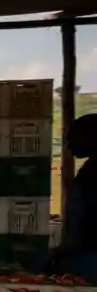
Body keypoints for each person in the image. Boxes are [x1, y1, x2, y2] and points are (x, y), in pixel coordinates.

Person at [50, 114, 97, 280]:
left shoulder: (91, 174)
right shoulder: (89, 170)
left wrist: (57, 253)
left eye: (73, 140)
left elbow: (84, 223)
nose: (69, 147)